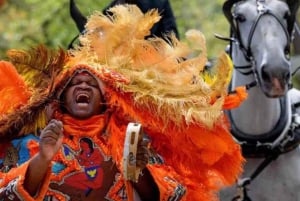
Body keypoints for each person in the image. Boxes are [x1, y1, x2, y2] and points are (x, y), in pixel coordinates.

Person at [0, 5, 246, 201]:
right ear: (60, 98)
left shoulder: (130, 141)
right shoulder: (34, 142)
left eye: (92, 84)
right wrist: (42, 160)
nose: (83, 86)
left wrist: (136, 172)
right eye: (74, 84)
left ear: (106, 99)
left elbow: (175, 195)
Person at [69, 0, 179, 49]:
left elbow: (172, 40)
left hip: (154, 68)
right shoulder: (112, 8)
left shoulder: (159, 3)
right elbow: (94, 34)